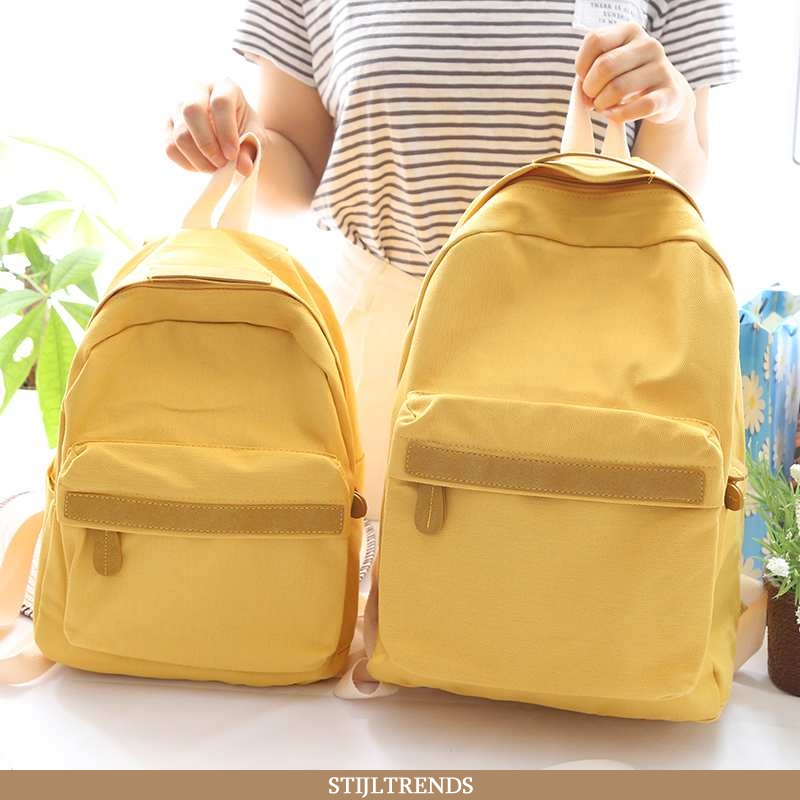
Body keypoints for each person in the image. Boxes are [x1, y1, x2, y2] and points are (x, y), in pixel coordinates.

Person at [166, 1, 765, 675]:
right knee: (370, 651)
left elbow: (677, 183)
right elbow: (299, 168)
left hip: (589, 341)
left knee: (577, 639)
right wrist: (234, 136)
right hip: (383, 345)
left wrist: (671, 107)